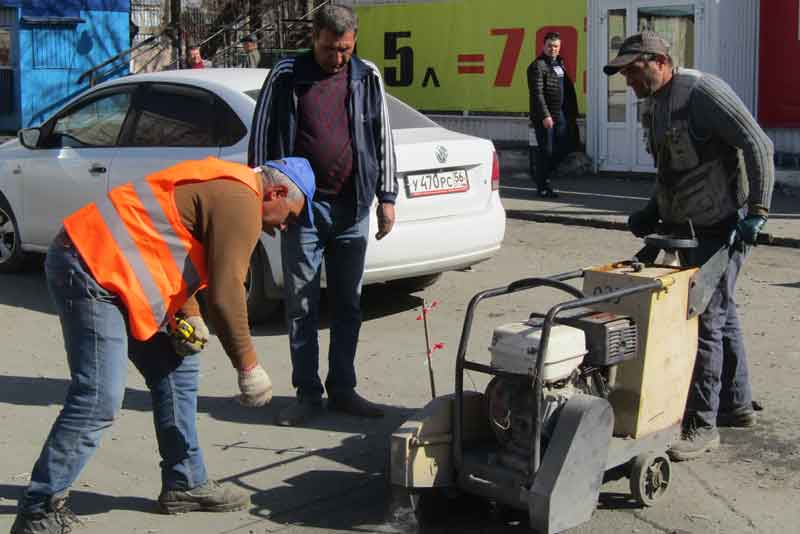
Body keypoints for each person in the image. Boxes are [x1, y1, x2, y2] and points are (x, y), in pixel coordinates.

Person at [10, 157, 316, 534]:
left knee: (178, 365)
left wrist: (188, 314)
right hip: (89, 267)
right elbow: (227, 294)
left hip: (113, 269)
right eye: (290, 216)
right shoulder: (243, 200)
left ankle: (185, 481)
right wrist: (249, 367)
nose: (285, 226)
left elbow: (169, 241)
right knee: (98, 397)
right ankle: (39, 508)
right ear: (278, 191)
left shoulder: (226, 183)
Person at [604, 31, 774, 461]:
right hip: (688, 226)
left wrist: (758, 210)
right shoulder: (656, 105)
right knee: (723, 310)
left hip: (724, 227)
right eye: (623, 73)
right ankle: (736, 405)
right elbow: (673, 172)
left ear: (657, 61)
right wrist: (651, 211)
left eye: (633, 70)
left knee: (703, 315)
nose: (628, 80)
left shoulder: (703, 93)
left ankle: (702, 423)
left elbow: (758, 143)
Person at [248, 4, 397, 427]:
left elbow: (381, 135)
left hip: (352, 208)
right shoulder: (286, 75)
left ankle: (344, 388)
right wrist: (261, 195)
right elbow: (261, 136)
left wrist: (387, 196)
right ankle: (308, 394)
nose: (338, 58)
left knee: (348, 303)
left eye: (346, 49)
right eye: (331, 49)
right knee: (301, 305)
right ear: (314, 38)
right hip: (304, 211)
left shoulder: (366, 75)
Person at [527, 31, 579, 198]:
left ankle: (541, 174)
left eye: (556, 46)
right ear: (544, 46)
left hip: (561, 114)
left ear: (560, 47)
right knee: (547, 151)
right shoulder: (537, 66)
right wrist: (545, 115)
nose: (553, 49)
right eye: (550, 45)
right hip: (546, 116)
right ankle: (543, 185)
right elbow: (537, 94)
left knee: (565, 147)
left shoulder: (559, 64)